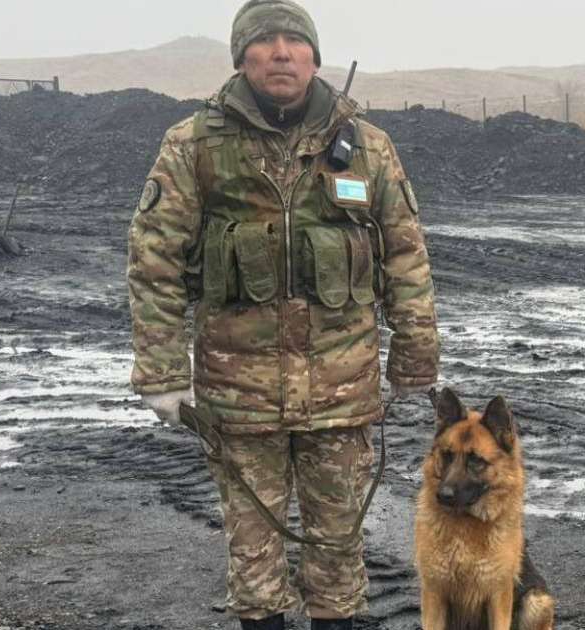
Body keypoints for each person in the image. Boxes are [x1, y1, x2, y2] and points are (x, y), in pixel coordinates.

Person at [126, 1, 439, 628]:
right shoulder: (195, 146)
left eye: (293, 42)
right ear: (242, 57)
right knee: (254, 558)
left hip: (342, 392)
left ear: (314, 57)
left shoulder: (367, 148)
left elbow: (406, 259)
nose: (280, 53)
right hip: (238, 397)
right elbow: (154, 260)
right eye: (264, 42)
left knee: (338, 553)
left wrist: (414, 362)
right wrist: (161, 372)